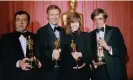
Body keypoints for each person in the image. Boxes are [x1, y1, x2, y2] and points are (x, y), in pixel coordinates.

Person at [0, 11, 41, 80]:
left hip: (33, 76)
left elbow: (40, 54)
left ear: (28, 22)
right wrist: (18, 63)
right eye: (18, 20)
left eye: (24, 20)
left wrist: (38, 60)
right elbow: (3, 58)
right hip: (13, 76)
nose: (21, 22)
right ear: (15, 22)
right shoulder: (6, 38)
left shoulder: (36, 37)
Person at [90, 8, 127, 80]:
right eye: (95, 19)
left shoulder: (114, 31)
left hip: (113, 71)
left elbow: (123, 51)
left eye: (100, 19)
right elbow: (90, 53)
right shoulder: (90, 34)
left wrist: (107, 47)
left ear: (104, 19)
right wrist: (92, 62)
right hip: (97, 71)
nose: (97, 22)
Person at [36, 5, 65, 80]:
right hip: (48, 71)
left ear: (59, 15)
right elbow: (39, 51)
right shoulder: (41, 31)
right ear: (47, 16)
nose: (54, 17)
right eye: (52, 14)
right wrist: (53, 55)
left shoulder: (63, 30)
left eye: (56, 14)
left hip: (63, 70)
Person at [62, 12, 92, 80]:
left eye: (77, 22)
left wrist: (80, 54)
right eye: (73, 22)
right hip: (69, 73)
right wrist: (71, 58)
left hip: (84, 72)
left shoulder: (86, 35)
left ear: (79, 23)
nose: (75, 25)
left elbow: (90, 54)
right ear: (69, 24)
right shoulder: (64, 37)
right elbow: (63, 55)